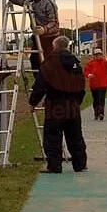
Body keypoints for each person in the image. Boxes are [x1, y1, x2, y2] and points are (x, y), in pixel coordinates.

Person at [29, 36, 87, 173]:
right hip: (73, 104)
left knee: (52, 135)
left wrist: (33, 102)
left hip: (55, 104)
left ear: (55, 46)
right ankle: (80, 164)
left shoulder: (50, 63)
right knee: (75, 135)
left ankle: (54, 166)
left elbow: (40, 84)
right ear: (67, 46)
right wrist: (78, 101)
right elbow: (81, 85)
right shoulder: (76, 63)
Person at [5, 0, 59, 71]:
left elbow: (55, 23)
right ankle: (39, 82)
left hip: (50, 38)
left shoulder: (49, 3)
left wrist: (44, 29)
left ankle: (49, 83)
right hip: (37, 37)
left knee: (48, 62)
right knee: (34, 60)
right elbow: (16, 0)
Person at [83, 48, 107, 121]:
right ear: (94, 55)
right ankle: (96, 113)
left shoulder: (105, 62)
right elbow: (85, 71)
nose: (98, 56)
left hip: (103, 84)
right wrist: (89, 75)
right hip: (94, 84)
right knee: (95, 99)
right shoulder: (90, 63)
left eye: (100, 54)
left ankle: (101, 113)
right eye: (97, 55)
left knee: (101, 99)